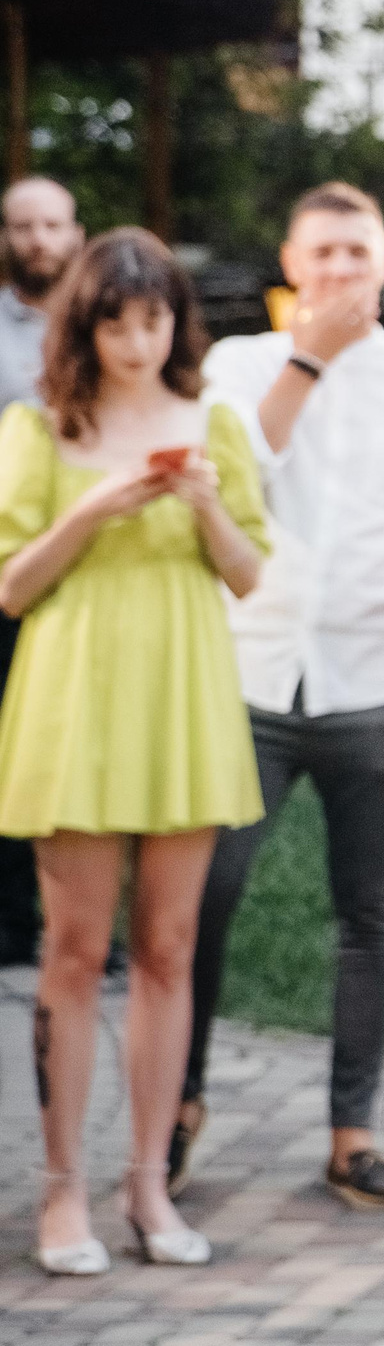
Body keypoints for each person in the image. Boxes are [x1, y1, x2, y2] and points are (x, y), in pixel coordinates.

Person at [175, 182, 384, 1211]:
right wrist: (307, 358)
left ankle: (352, 1130)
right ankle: (177, 1102)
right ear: (290, 263)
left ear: (383, 265)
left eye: (356, 256)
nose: (338, 273)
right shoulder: (237, 367)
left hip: (381, 681)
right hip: (250, 677)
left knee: (371, 912)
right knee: (202, 897)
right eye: (321, 254)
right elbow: (243, 476)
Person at [0, 229, 268, 1273]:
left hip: (182, 697)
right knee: (73, 953)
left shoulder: (216, 427)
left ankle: (148, 1182)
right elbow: (13, 584)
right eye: (114, 319)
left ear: (175, 322)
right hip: (75, 697)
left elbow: (248, 573)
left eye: (152, 317)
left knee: (168, 948)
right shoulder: (39, 428)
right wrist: (100, 505)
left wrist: (202, 502)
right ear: (86, 323)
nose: (134, 338)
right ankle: (60, 1190)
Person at [0, 177, 83, 969]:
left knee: (71, 742)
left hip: (91, 564)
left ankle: (77, 918)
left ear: (74, 231)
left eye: (51, 225)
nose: (37, 241)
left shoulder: (103, 326)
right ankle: (12, 919)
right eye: (22, 226)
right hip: (13, 555)